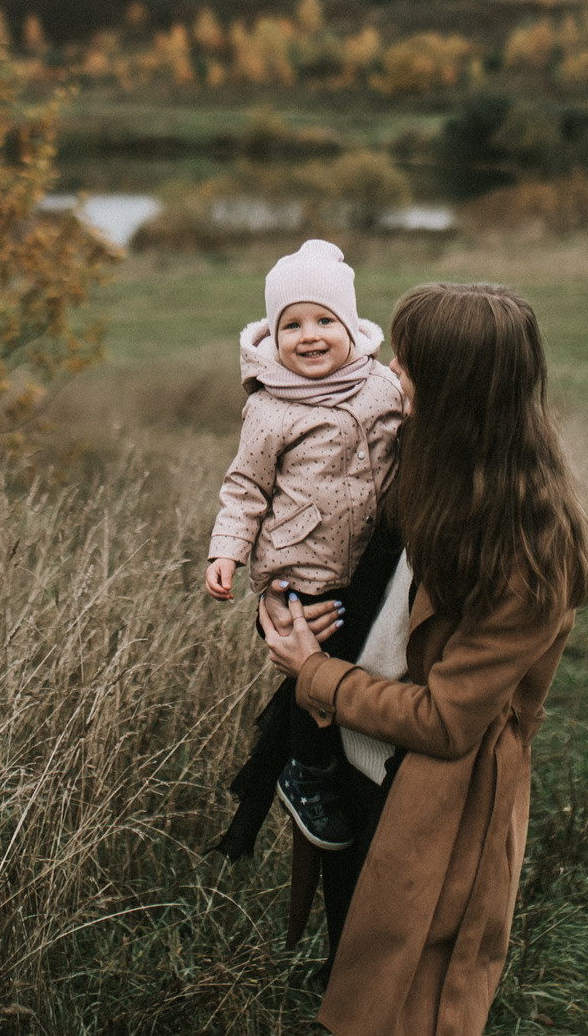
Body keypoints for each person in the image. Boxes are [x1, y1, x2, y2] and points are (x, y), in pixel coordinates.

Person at [261, 281, 588, 1036]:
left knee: (411, 1002)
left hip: (433, 803)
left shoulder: (528, 549)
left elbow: (448, 721)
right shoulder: (419, 462)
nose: (391, 370)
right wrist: (283, 598)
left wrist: (315, 674)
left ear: (453, 388)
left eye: (409, 362)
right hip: (354, 761)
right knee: (354, 967)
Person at [206, 239, 407, 851]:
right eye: (291, 324)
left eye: (324, 320)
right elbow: (245, 488)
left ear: (350, 326)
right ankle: (308, 772)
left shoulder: (381, 385)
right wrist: (226, 552)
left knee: (353, 661)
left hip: (372, 560)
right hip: (303, 569)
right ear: (272, 334)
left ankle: (352, 768)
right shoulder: (270, 409)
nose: (309, 336)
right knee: (311, 662)